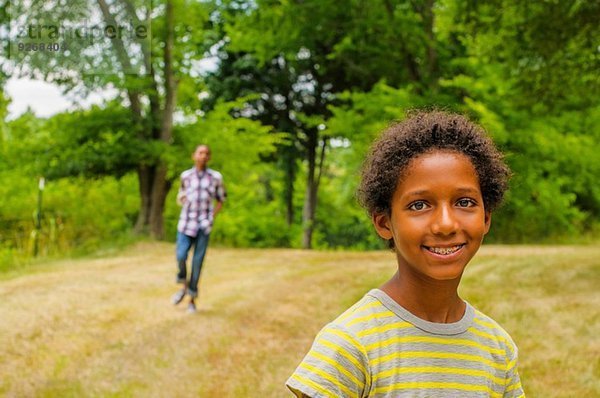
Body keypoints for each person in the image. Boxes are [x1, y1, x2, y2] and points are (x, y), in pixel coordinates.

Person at [286, 111, 525, 397]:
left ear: (486, 217)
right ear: (384, 223)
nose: (446, 224)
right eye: (419, 205)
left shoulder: (497, 347)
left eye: (464, 202)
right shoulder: (351, 344)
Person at [171, 144, 226, 313]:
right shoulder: (185, 176)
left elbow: (221, 199)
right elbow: (180, 196)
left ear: (209, 157)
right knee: (180, 256)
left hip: (203, 225)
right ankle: (184, 285)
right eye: (200, 153)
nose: (203, 156)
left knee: (197, 263)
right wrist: (183, 199)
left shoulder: (215, 177)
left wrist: (211, 217)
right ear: (193, 155)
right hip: (186, 223)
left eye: (206, 153)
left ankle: (192, 300)